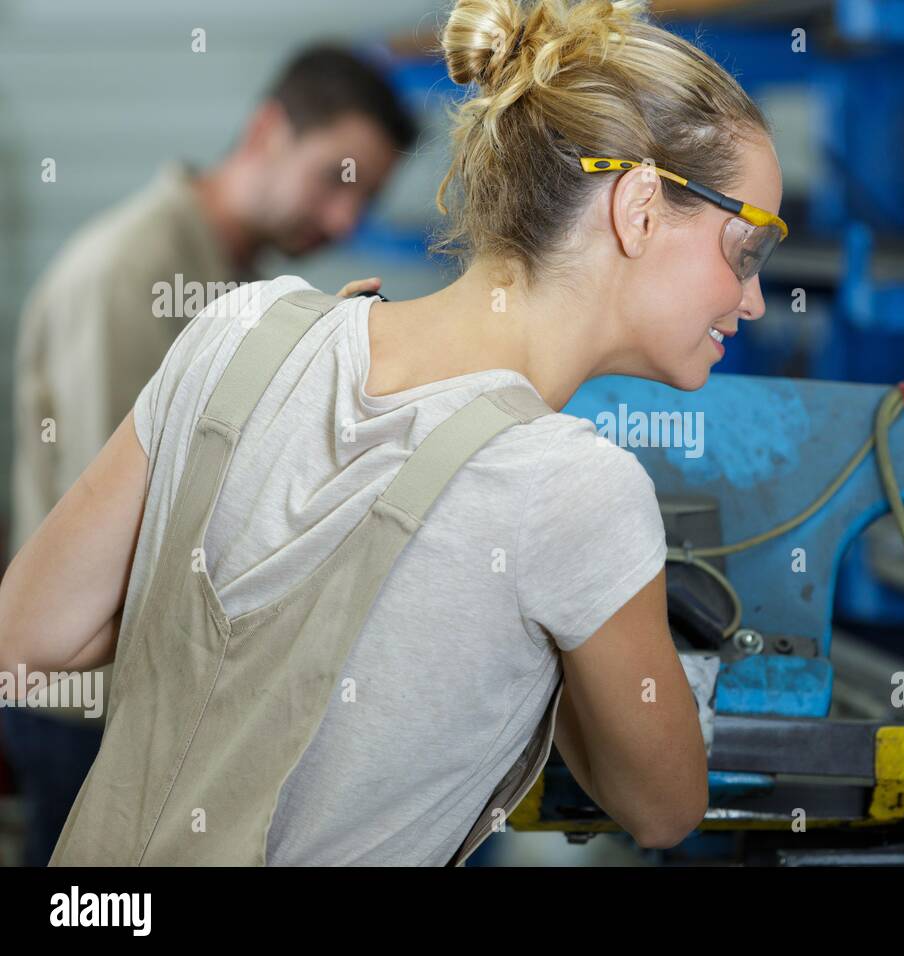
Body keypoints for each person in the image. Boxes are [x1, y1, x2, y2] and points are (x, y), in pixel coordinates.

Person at [0, 0, 785, 865]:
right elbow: (666, 806)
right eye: (746, 250)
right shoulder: (576, 489)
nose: (751, 297)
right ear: (639, 208)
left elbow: (28, 636)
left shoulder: (242, 330)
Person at [1, 42, 415, 866]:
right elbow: (120, 542)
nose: (342, 221)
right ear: (268, 132)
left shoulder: (235, 283)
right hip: (86, 718)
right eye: (339, 180)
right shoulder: (132, 272)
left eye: (365, 200)